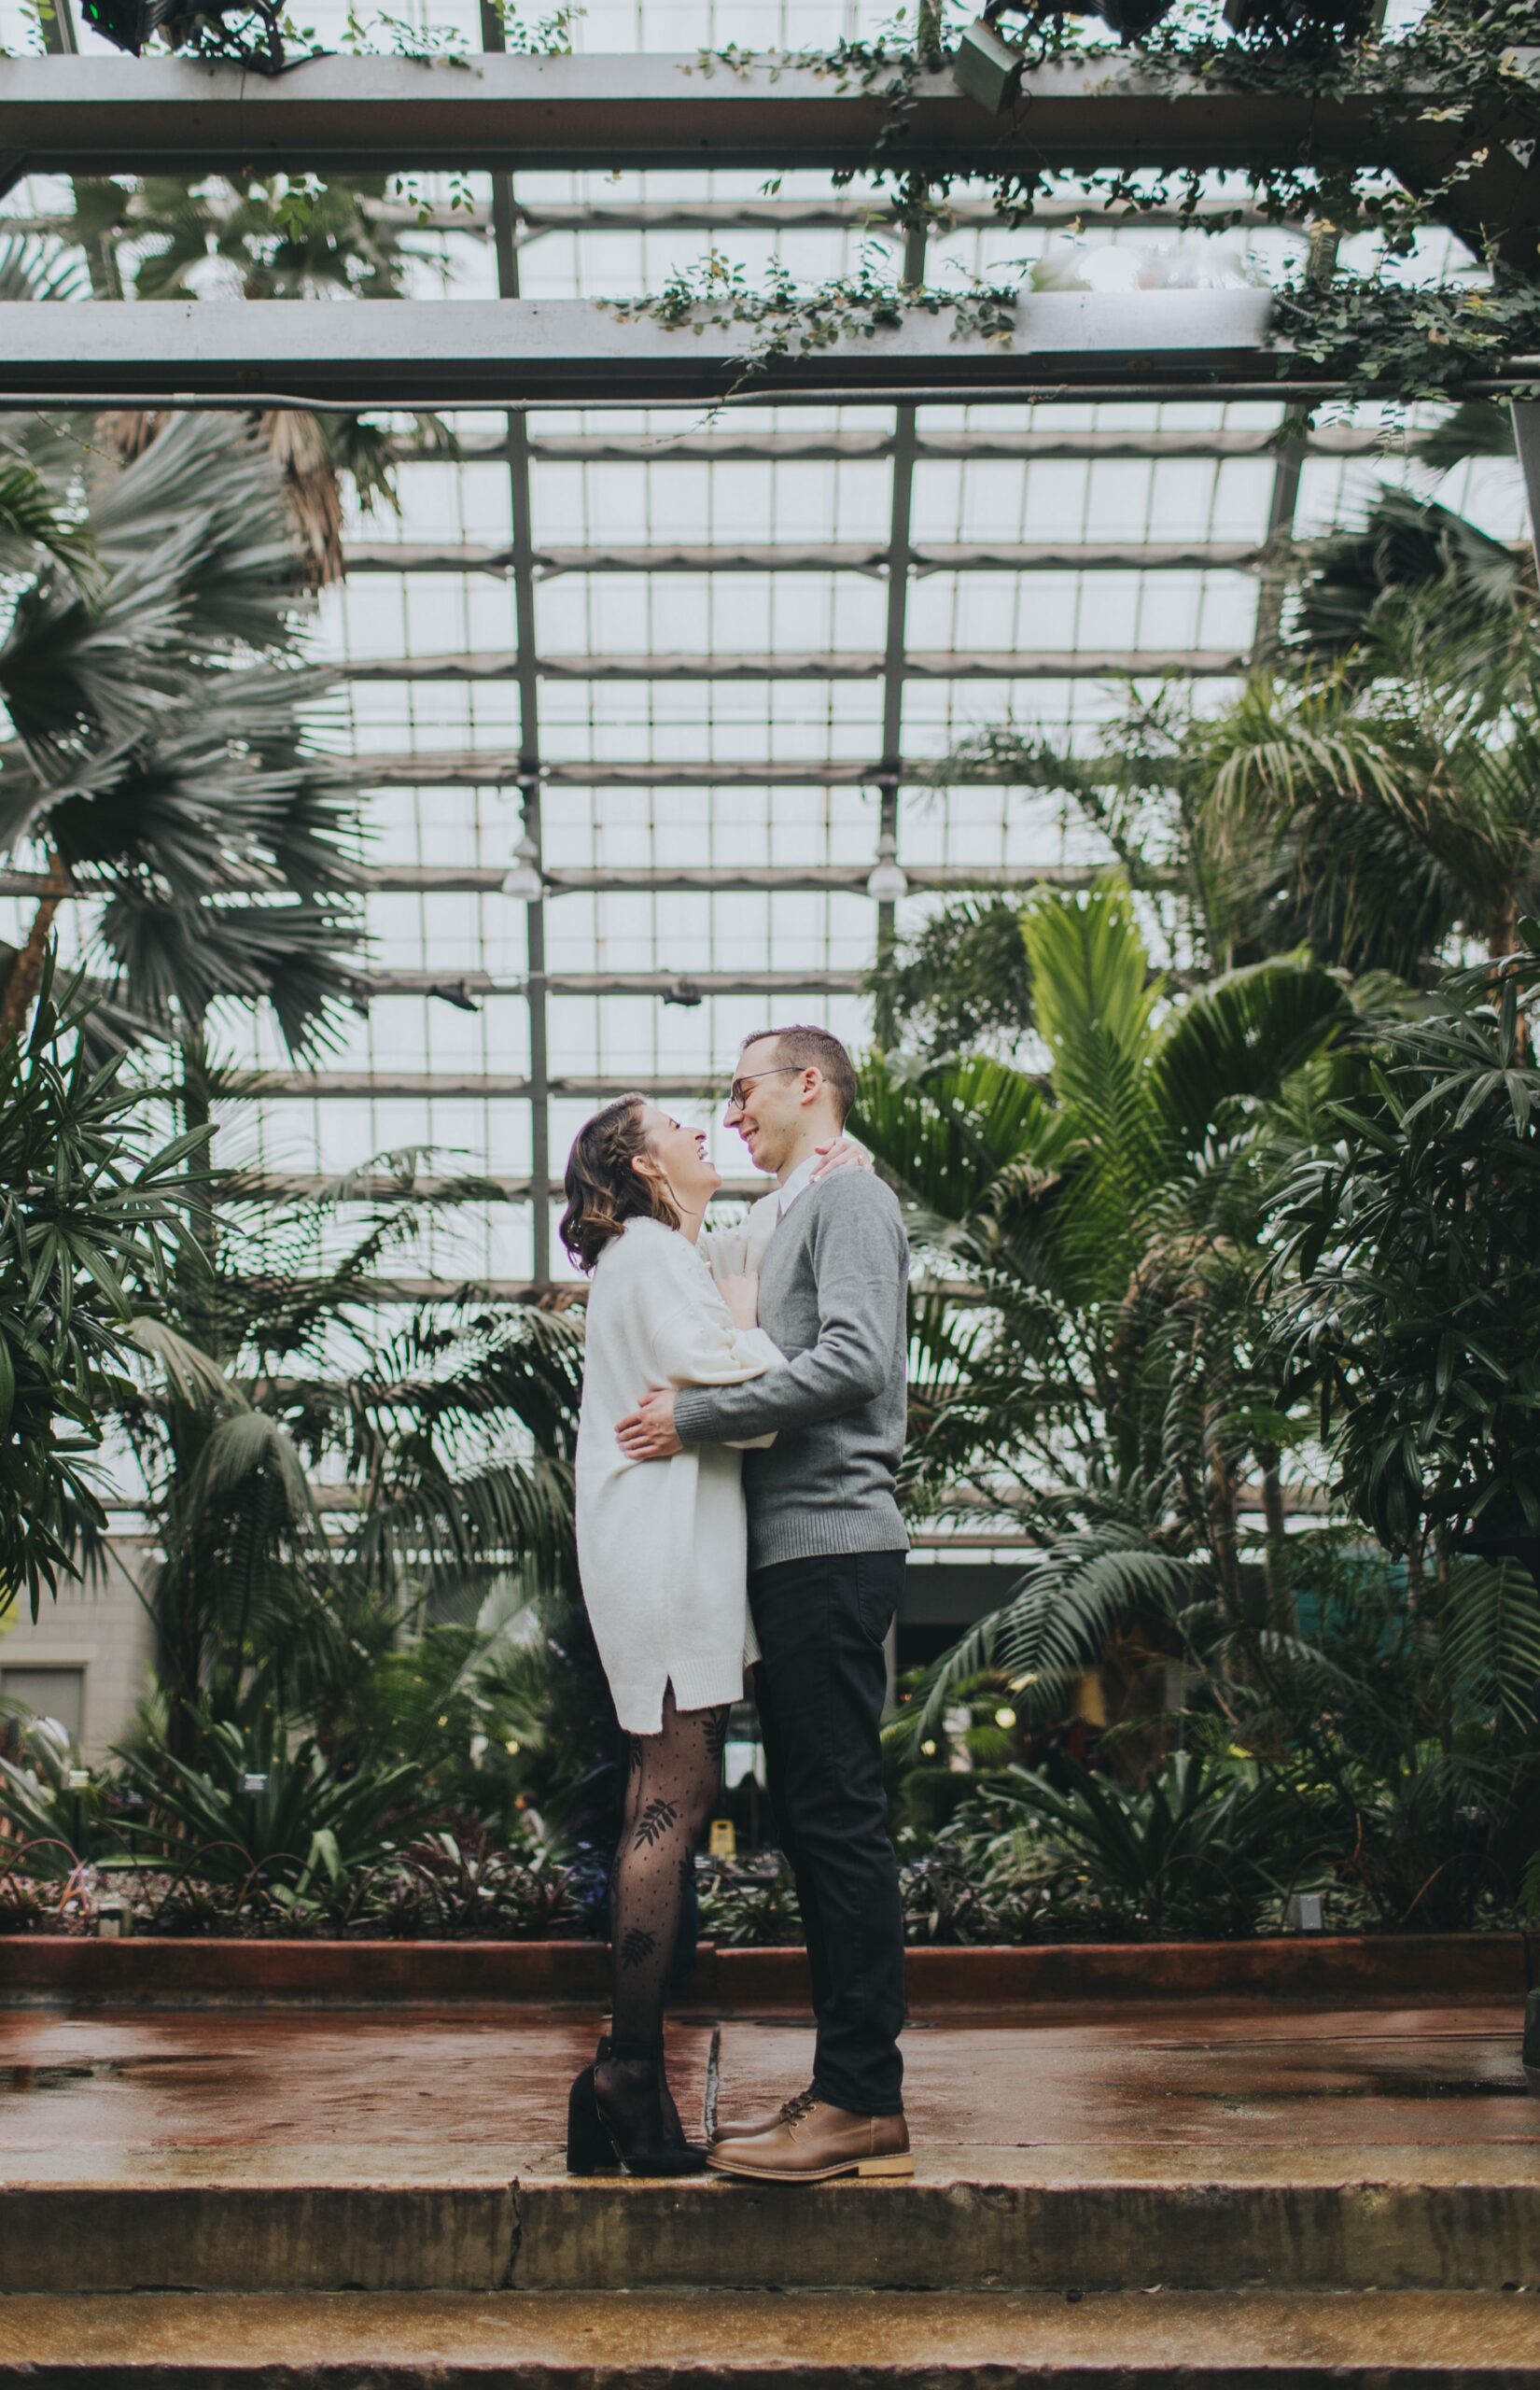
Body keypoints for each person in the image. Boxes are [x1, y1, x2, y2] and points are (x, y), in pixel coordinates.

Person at [616, 1025, 914, 2186]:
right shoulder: (791, 1209)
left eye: (742, 1088)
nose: (729, 1109)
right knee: (817, 1814)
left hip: (832, 1547)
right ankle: (848, 2093)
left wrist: (689, 1420)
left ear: (810, 1085)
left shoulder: (849, 1197)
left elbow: (855, 1361)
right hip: (796, 1556)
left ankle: (861, 2101)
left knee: (836, 1816)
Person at [560, 1094, 786, 2178]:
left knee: (669, 1795)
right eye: (680, 1127)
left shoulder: (654, 1255)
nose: (706, 1133)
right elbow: (748, 1379)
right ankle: (626, 2073)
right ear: (644, 1170)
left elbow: (733, 1392)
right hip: (658, 1554)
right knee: (669, 1796)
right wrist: (749, 1315)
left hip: (667, 1550)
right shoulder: (650, 1253)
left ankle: (624, 2073)